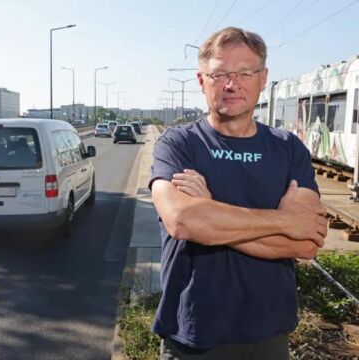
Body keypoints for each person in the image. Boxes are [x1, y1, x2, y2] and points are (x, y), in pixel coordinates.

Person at [149, 27, 328, 359]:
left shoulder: (288, 149)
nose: (232, 84)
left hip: (269, 337)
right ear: (202, 81)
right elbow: (183, 222)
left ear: (263, 78)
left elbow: (306, 242)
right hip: (192, 336)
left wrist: (211, 212)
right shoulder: (177, 144)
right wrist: (282, 221)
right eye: (219, 74)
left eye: (245, 72)